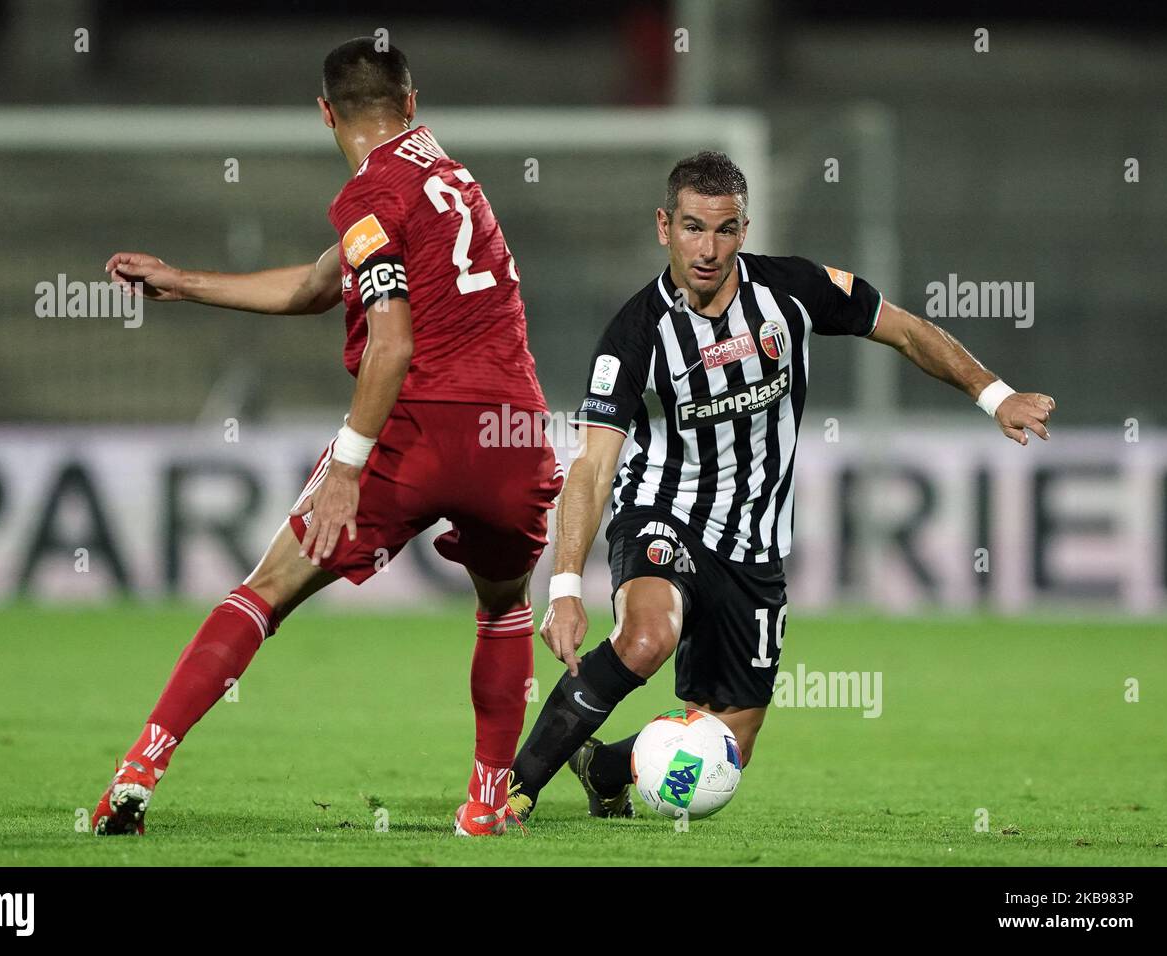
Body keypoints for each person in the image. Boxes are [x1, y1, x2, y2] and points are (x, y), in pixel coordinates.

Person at [92, 37, 559, 838]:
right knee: (504, 606)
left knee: (264, 590)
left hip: (420, 428)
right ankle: (485, 803)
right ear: (410, 105)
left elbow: (393, 341)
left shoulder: (371, 196)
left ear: (324, 113)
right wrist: (184, 281)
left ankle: (138, 771)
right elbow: (317, 284)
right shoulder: (452, 180)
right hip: (514, 432)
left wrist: (347, 465)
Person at [506, 150, 1056, 821]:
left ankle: (608, 767)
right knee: (649, 637)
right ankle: (516, 789)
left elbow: (907, 332)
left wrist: (993, 395)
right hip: (663, 512)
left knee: (728, 745)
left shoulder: (792, 290)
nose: (708, 248)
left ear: (745, 228)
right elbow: (592, 467)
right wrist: (564, 587)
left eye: (725, 229)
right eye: (692, 227)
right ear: (663, 226)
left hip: (756, 546)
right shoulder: (634, 337)